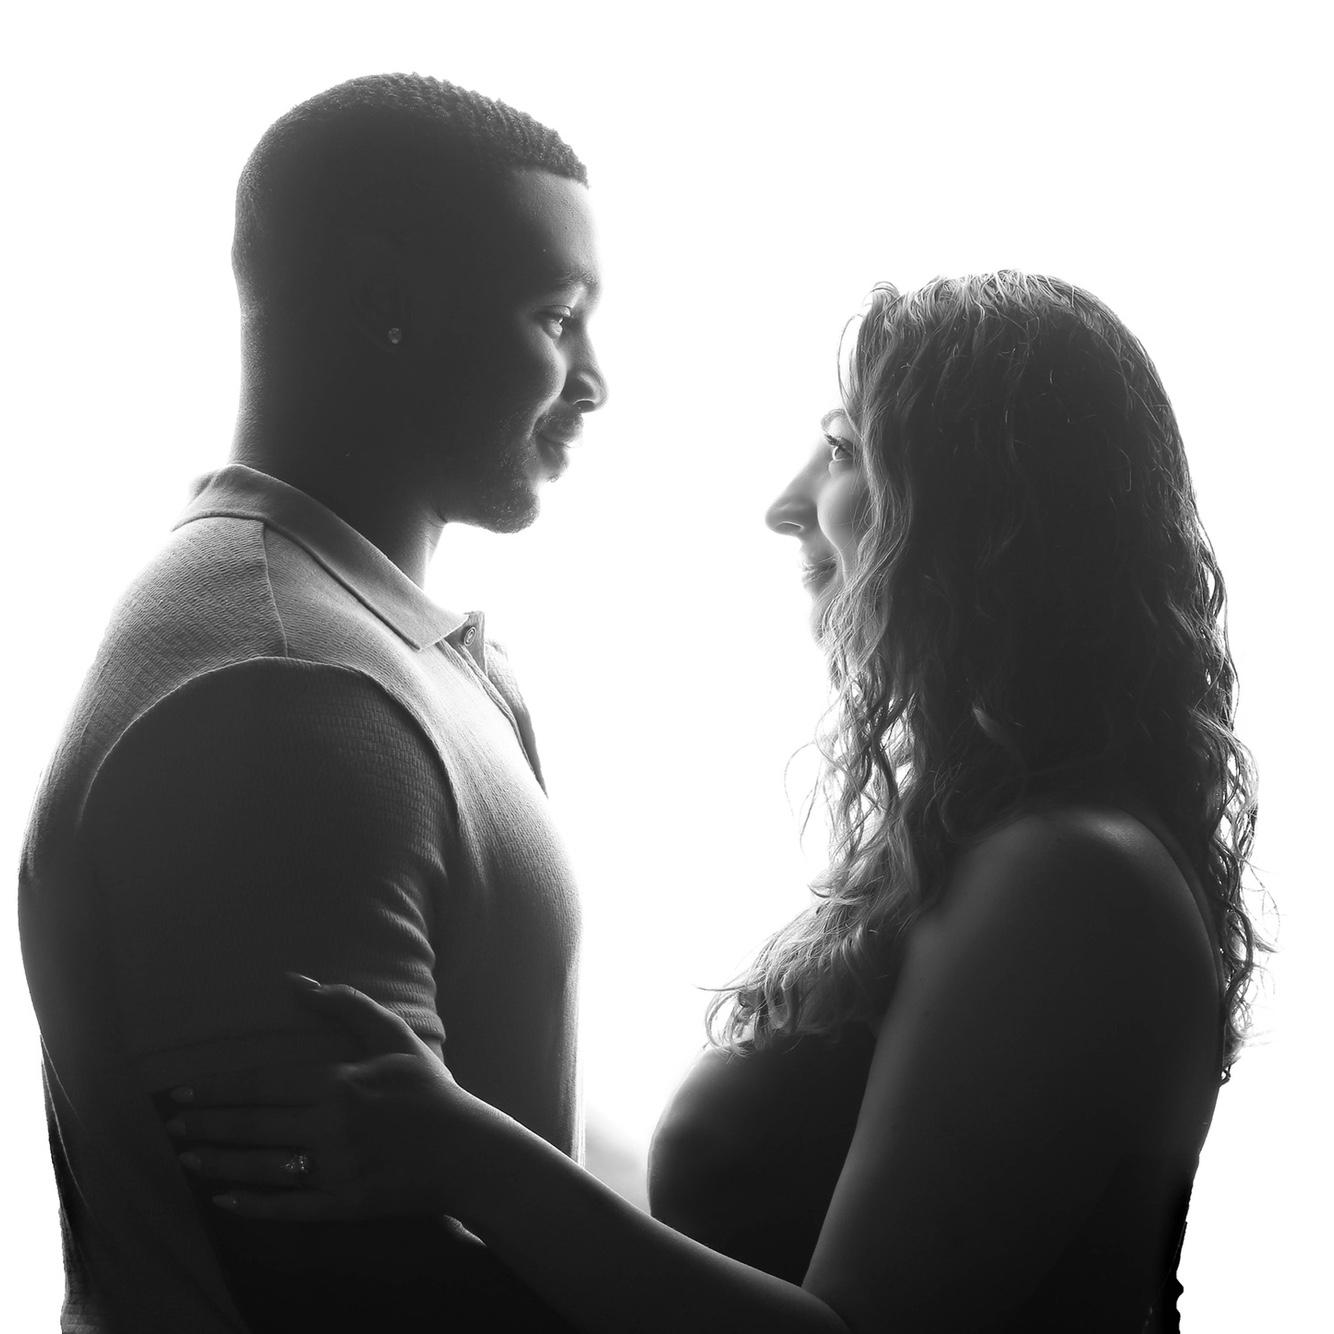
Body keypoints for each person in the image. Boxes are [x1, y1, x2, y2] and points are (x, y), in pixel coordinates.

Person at [167, 272, 1263, 1333]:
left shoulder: (1072, 875)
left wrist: (462, 1153)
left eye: (845, 449)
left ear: (987, 512)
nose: (786, 504)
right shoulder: (998, 847)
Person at [18, 72, 605, 1333]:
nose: (595, 379)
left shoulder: (376, 654)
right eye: (556, 316)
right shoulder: (285, 701)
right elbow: (350, 1299)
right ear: (385, 304)